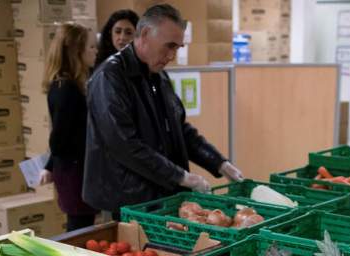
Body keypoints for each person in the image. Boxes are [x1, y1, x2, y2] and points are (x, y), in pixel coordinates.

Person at [83, 4, 242, 218]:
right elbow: (124, 144)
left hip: (160, 196)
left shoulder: (158, 75)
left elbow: (181, 129)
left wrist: (220, 163)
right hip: (127, 201)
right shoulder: (109, 77)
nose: (172, 55)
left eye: (177, 48)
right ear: (146, 34)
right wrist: (181, 176)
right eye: (169, 46)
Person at [39, 23, 99, 231]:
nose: (95, 51)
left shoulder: (72, 85)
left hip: (75, 169)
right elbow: (59, 140)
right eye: (91, 47)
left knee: (83, 224)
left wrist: (49, 165)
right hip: (75, 173)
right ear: (77, 51)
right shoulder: (67, 90)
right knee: (80, 227)